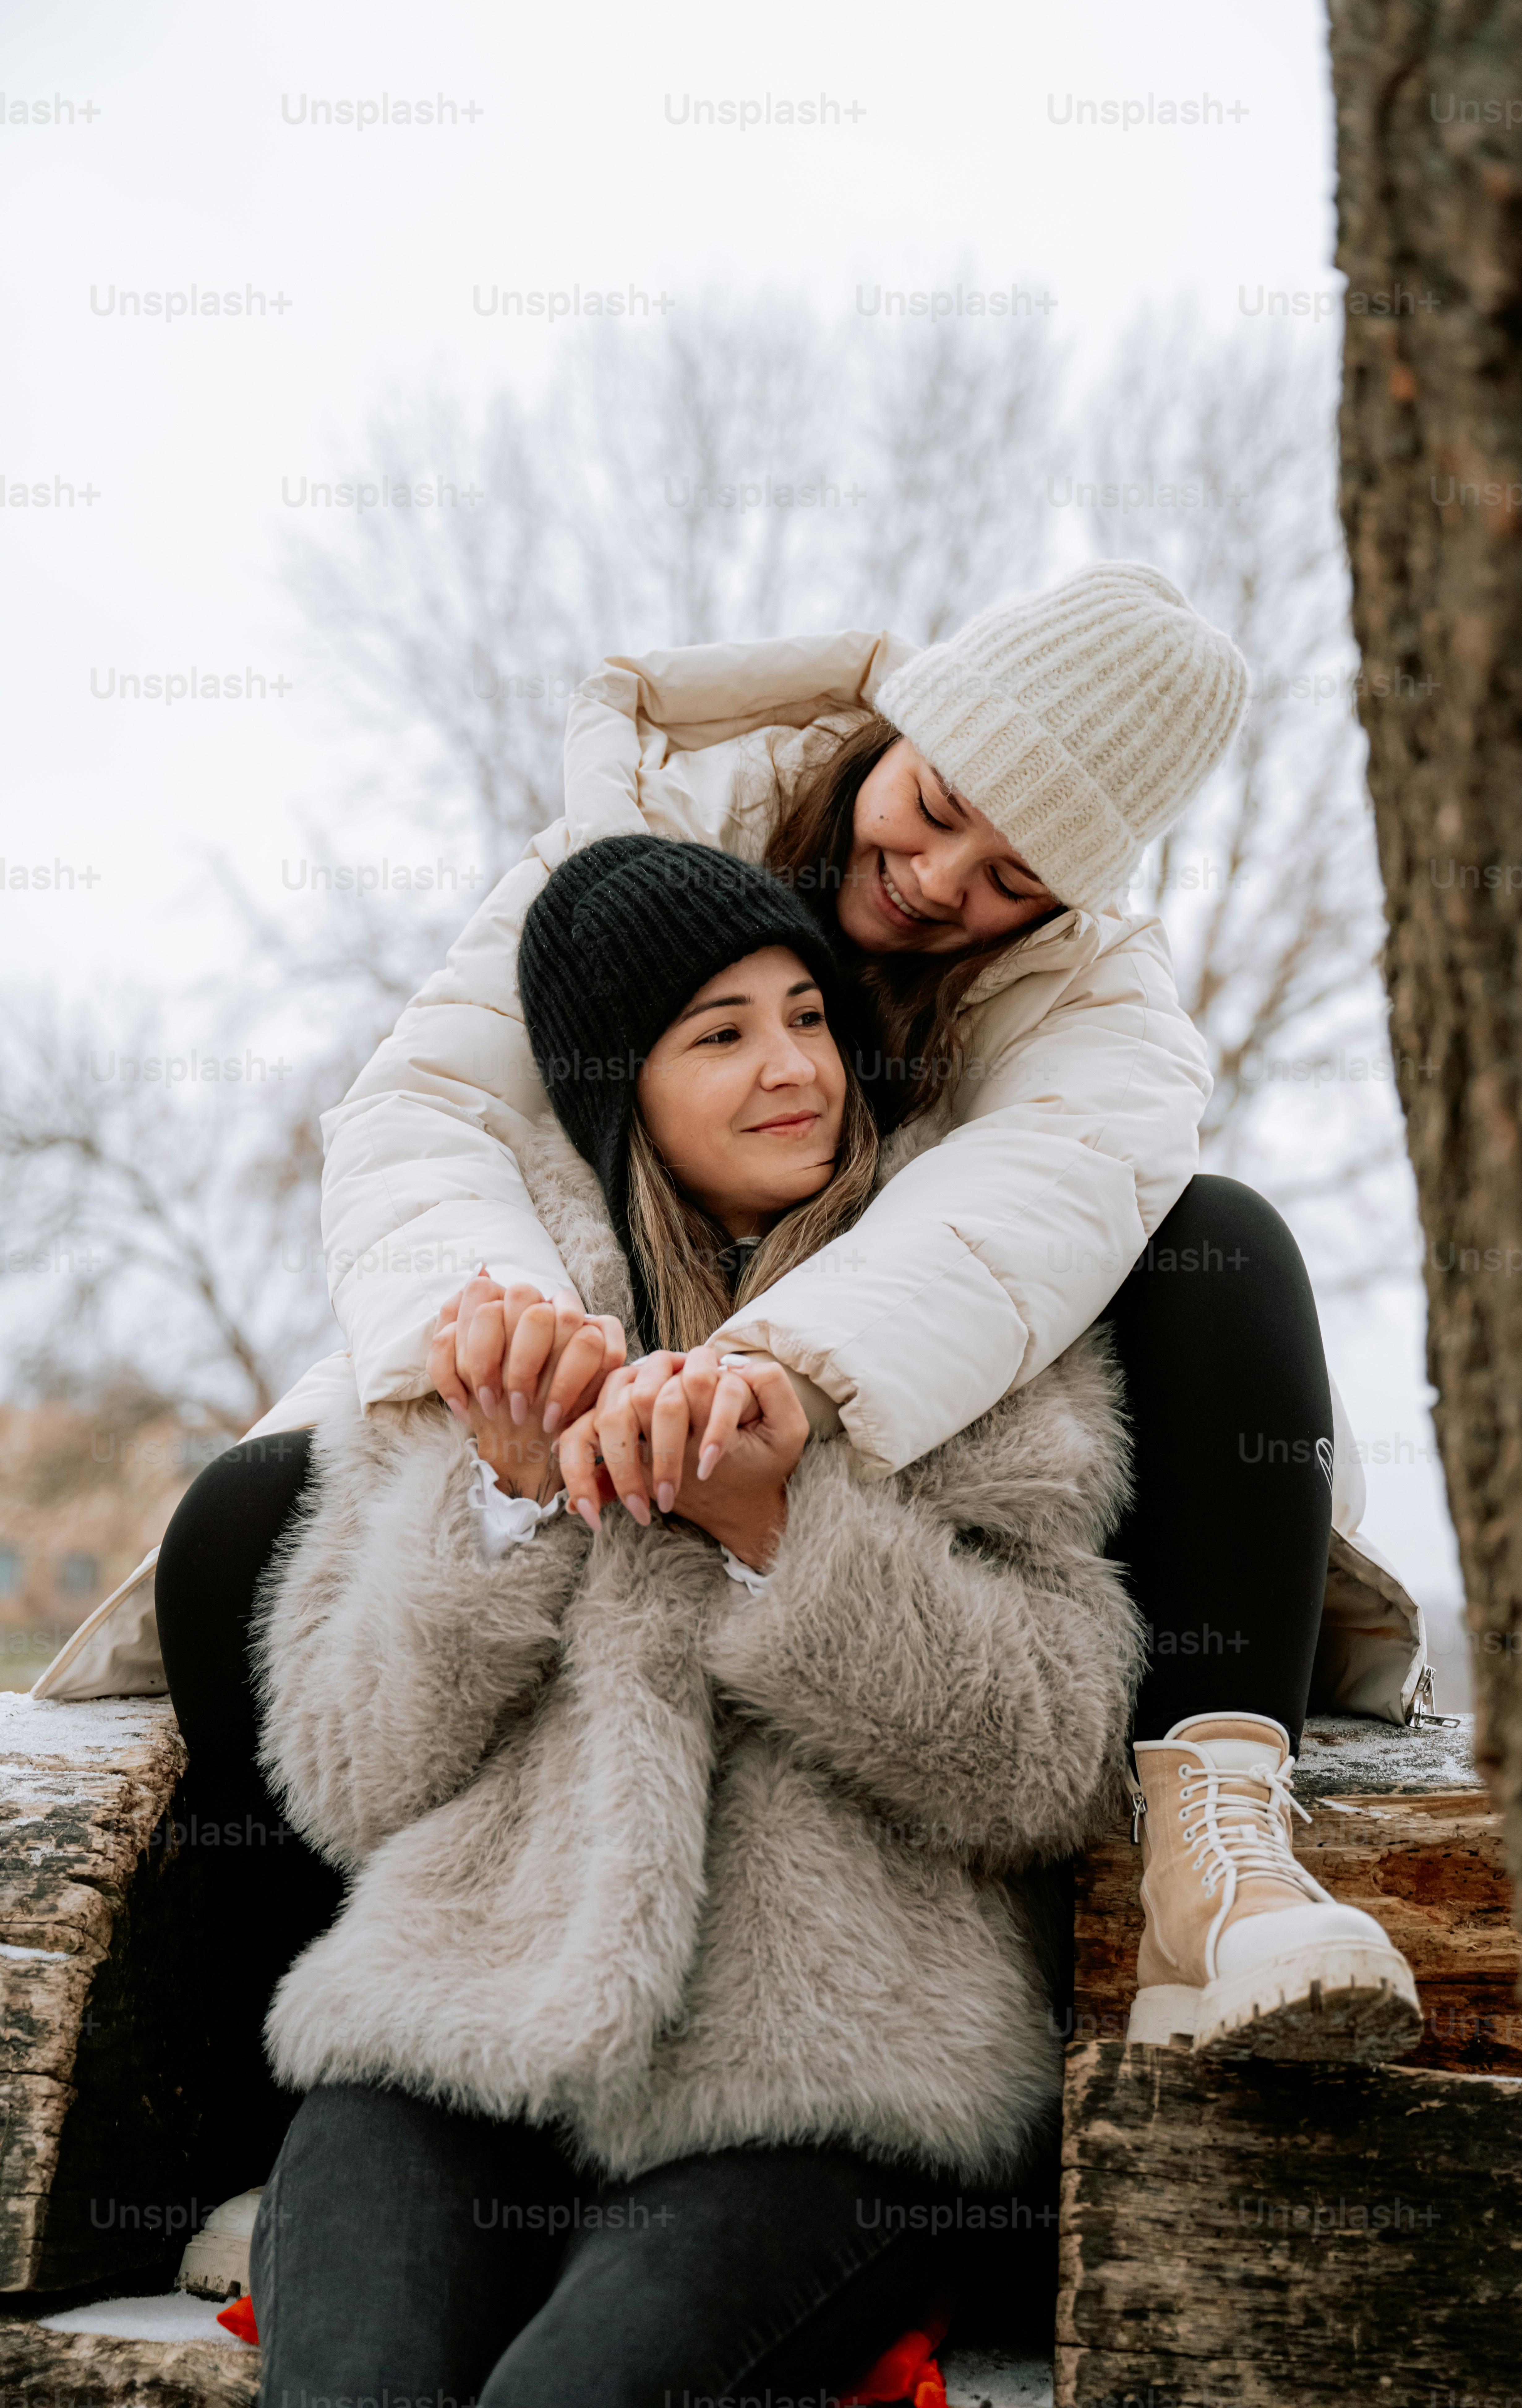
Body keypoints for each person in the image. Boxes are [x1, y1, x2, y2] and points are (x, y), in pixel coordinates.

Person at [153, 560, 1422, 2195]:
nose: (941, 876)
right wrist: (517, 1328)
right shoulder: (641, 830)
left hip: (922, 1398)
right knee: (241, 1525)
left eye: (1015, 874)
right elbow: (428, 1113)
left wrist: (769, 1385)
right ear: (900, 724)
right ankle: (309, 2116)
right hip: (595, 1309)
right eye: (937, 801)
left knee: (1224, 1246)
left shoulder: (1097, 1003)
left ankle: (1216, 1845)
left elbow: (1019, 1216)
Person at [249, 835, 1143, 2408]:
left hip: (828, 2082)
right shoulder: (483, 1332)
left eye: (806, 1014)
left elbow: (1044, 1762)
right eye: (719, 1035)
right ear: (621, 1094)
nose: (792, 1066)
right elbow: (345, 1773)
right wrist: (505, 1505)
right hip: (448, 2034)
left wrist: (782, 1533)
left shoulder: (972, 1321)